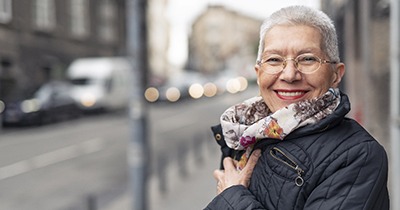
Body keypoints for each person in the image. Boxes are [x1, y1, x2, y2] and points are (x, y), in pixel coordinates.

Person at [204, 5, 389, 210]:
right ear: (258, 73)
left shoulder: (357, 155)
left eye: (308, 59)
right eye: (274, 60)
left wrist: (231, 197)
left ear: (336, 74)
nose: (290, 75)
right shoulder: (244, 132)